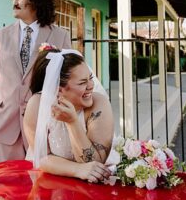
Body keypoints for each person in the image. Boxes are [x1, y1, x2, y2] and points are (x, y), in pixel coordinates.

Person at [0, 0, 71, 162]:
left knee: (41, 184)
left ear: (36, 0)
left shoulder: (60, 36)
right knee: (8, 185)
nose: (14, 1)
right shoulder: (2, 35)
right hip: (5, 123)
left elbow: (68, 80)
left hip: (43, 125)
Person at [22, 47, 116, 183]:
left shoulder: (99, 103)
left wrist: (72, 122)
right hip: (52, 182)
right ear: (58, 90)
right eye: (83, 82)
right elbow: (42, 157)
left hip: (96, 183)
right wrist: (78, 169)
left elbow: (96, 162)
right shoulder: (36, 105)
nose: (91, 85)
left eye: (90, 78)